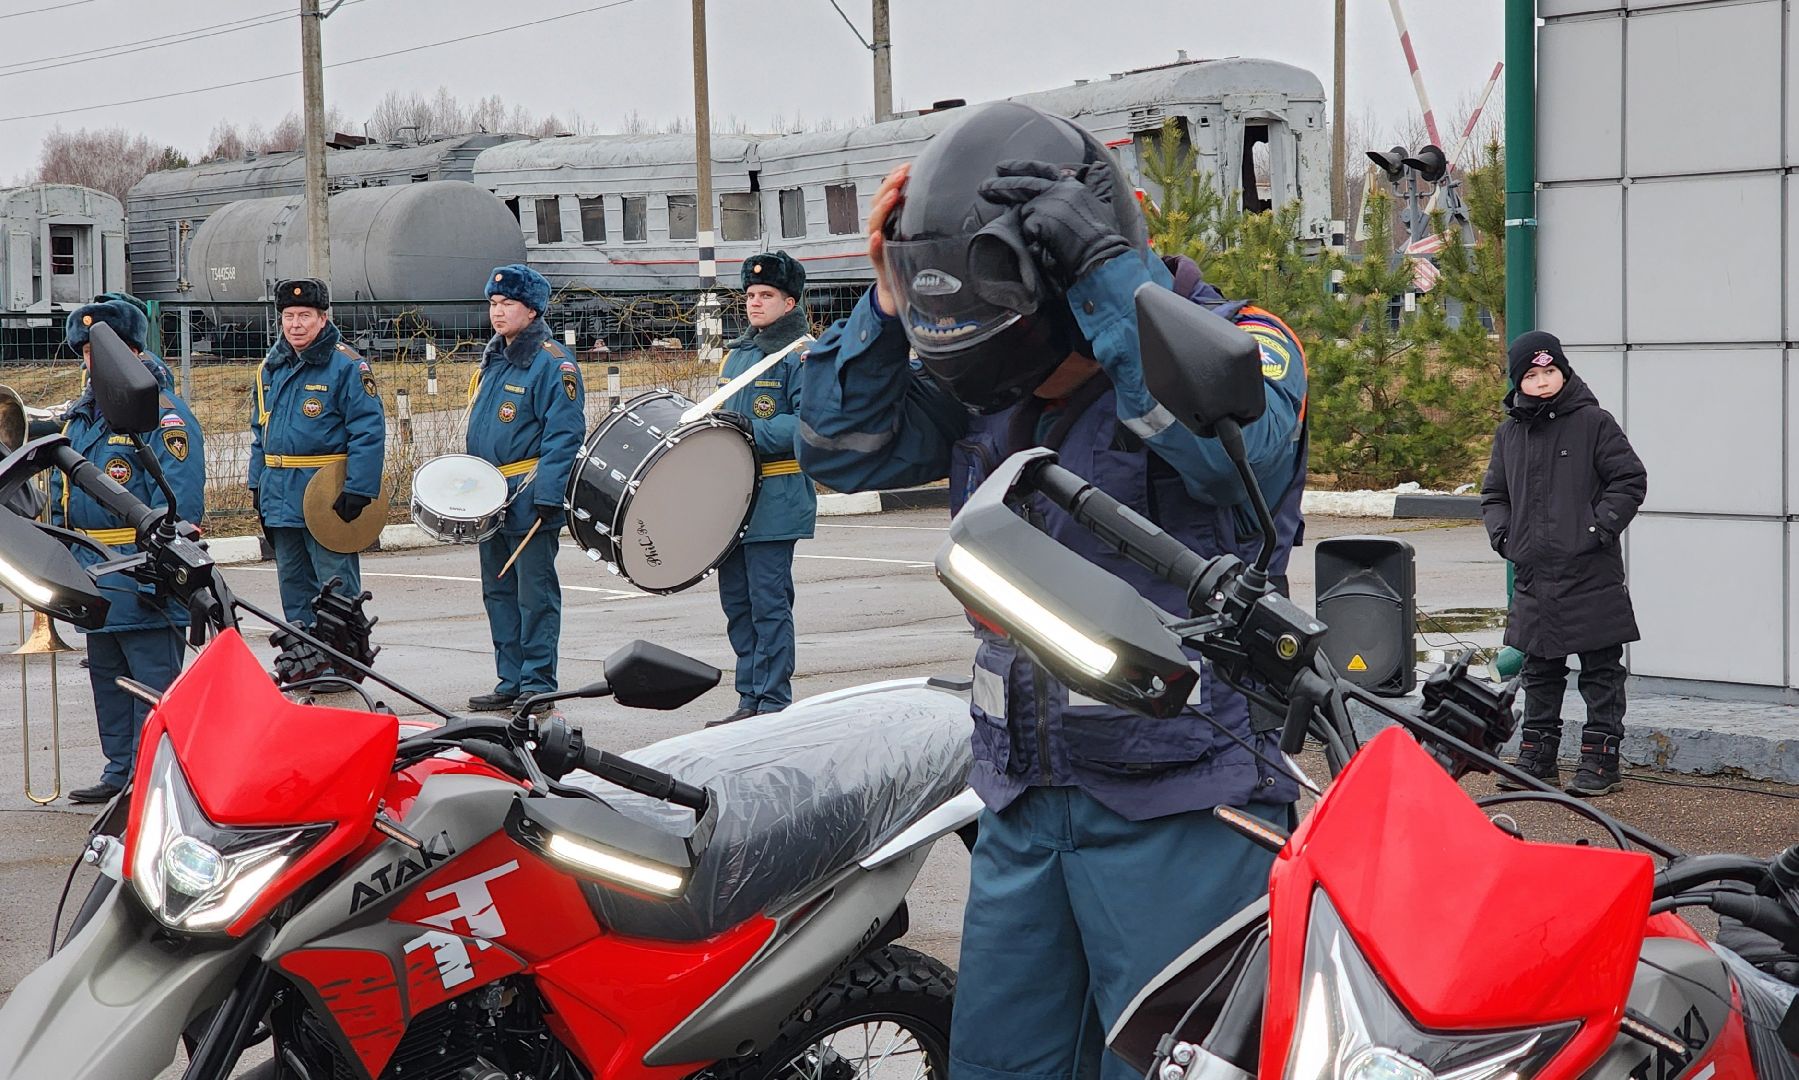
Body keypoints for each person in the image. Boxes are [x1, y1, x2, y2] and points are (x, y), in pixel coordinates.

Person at [795, 101, 1308, 1080]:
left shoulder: (1233, 339)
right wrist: (888, 298)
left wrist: (1113, 283)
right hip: (1023, 805)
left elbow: (1237, 457)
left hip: (1182, 807)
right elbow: (839, 449)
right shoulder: (995, 379)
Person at [50, 299, 206, 804]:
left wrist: (161, 561)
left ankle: (152, 776)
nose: (89, 361)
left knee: (152, 684)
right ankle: (120, 773)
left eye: (98, 350)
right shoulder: (83, 414)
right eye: (85, 352)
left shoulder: (160, 413)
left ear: (128, 350)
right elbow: (62, 490)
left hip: (140, 572)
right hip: (92, 568)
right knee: (110, 681)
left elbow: (178, 500)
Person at [1482, 330, 1646, 797]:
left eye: (1550, 371)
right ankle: (1536, 758)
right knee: (1540, 669)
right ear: (1518, 382)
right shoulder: (1510, 433)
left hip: (1590, 571)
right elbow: (1495, 494)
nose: (1543, 382)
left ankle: (1600, 760)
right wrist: (1506, 537)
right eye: (1532, 376)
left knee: (1601, 671)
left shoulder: (1593, 422)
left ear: (1564, 372)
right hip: (1535, 574)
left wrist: (1598, 529)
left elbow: (1629, 479)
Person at [465, 264, 585, 713]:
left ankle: (538, 682)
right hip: (489, 495)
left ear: (531, 310)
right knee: (498, 588)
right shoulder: (494, 358)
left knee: (534, 592)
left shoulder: (552, 363)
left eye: (507, 304)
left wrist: (548, 494)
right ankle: (509, 679)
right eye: (493, 304)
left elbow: (565, 434)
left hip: (530, 490)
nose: (497, 313)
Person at [709, 251, 816, 726]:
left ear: (790, 302)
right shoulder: (739, 354)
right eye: (750, 295)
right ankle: (748, 698)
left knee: (769, 603)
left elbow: (808, 424)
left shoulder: (802, 354)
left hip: (775, 496)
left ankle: (773, 702)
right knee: (737, 603)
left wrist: (748, 428)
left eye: (766, 295)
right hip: (731, 499)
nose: (754, 303)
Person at [247, 278, 386, 626]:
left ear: (323, 318)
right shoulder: (271, 368)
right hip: (279, 492)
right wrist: (256, 484)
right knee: (293, 585)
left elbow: (368, 431)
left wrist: (359, 489)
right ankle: (305, 661)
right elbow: (259, 431)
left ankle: (343, 665)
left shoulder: (347, 367)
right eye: (289, 316)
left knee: (336, 586)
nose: (295, 324)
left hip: (328, 493)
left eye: (305, 315)